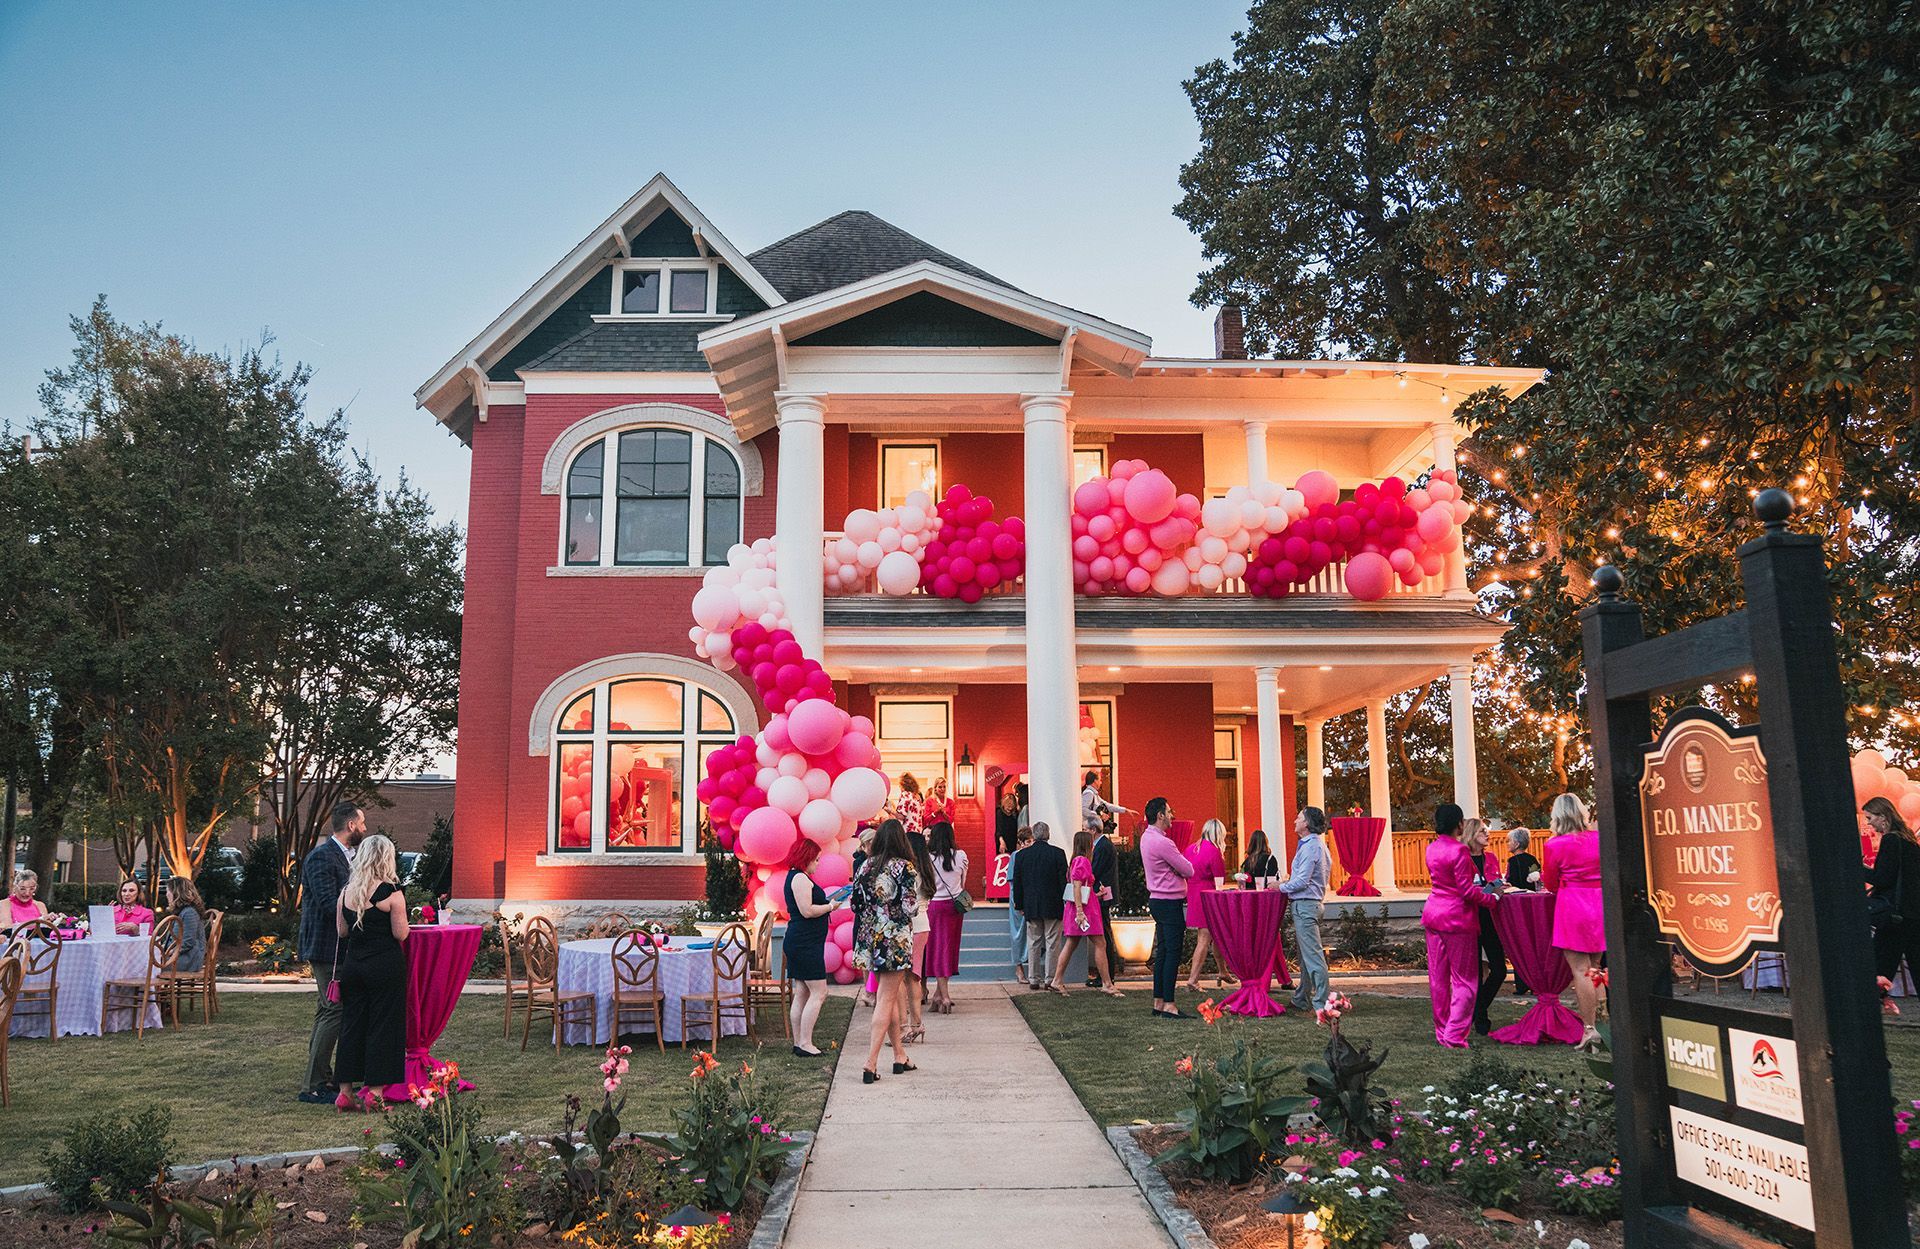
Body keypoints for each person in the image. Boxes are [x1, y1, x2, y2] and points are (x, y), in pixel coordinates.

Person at [333, 834, 409, 1105]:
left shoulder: (346, 892)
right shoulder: (391, 892)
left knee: (351, 1024)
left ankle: (344, 1091)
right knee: (383, 1025)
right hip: (384, 965)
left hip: (354, 966)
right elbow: (400, 934)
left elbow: (342, 931)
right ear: (386, 858)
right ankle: (375, 1093)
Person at [300, 801, 365, 1105]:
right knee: (333, 1010)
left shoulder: (344, 856)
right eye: (362, 823)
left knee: (327, 1010)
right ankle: (313, 1086)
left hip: (338, 945)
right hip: (328, 946)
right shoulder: (322, 858)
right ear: (351, 825)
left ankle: (322, 1077)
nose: (365, 829)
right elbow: (329, 903)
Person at [1422, 803, 1498, 1048]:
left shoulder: (1431, 849)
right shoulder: (1460, 851)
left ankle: (1442, 1029)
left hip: (1434, 914)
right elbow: (1466, 891)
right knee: (1465, 979)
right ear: (1460, 824)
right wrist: (1491, 898)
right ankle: (1454, 1034)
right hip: (1457, 919)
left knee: (1438, 977)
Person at [849, 819, 919, 1083]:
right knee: (886, 999)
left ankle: (899, 1055)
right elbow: (910, 907)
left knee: (886, 996)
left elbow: (855, 903)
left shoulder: (865, 865)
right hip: (894, 938)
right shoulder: (905, 868)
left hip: (869, 936)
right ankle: (871, 1062)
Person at [1540, 793, 1605, 1051]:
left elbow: (1550, 883)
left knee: (1580, 971)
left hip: (1573, 906)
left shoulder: (1555, 845)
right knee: (1596, 967)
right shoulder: (1600, 839)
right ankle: (1604, 1024)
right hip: (1599, 904)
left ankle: (1589, 1028)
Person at [781, 838, 844, 1057]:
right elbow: (807, 910)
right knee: (819, 992)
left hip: (805, 942)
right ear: (805, 858)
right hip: (804, 943)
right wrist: (830, 906)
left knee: (803, 992)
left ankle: (800, 1042)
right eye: (816, 860)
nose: (817, 864)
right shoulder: (799, 878)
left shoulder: (800, 877)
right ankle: (805, 1042)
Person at [1055, 828, 1125, 997]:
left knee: (1071, 944)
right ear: (1086, 845)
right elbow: (1078, 886)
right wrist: (1080, 911)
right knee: (1101, 943)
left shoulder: (1075, 861)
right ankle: (1107, 984)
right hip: (1085, 911)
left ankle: (1057, 980)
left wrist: (1096, 894)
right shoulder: (1083, 861)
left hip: (1080, 908)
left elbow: (1080, 886)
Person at [1141, 797, 1194, 1019]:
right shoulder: (1164, 842)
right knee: (1172, 953)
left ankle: (1159, 1001)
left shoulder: (1146, 838)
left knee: (1162, 952)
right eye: (1169, 812)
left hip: (1157, 900)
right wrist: (1177, 870)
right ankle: (1170, 1004)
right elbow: (1188, 869)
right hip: (1169, 901)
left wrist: (1175, 870)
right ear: (1160, 815)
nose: (1172, 816)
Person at [1278, 806, 1333, 1014]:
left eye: (1299, 817)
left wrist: (1281, 887)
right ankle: (1302, 997)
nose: (1294, 820)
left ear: (1307, 823)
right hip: (1309, 904)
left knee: (1313, 957)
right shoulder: (1316, 846)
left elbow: (1302, 881)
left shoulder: (1311, 847)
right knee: (1305, 957)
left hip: (1306, 905)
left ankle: (1322, 1003)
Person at [1864, 796, 1919, 1001]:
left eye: (1870, 817)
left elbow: (1883, 878)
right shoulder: (1909, 840)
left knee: (1880, 967)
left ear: (1883, 816)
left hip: (1895, 915)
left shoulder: (1890, 840)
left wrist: (1858, 869)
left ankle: (1870, 1009)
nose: (1869, 823)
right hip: (1913, 914)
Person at [1463, 818, 1509, 1036]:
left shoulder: (1490, 858)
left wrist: (1499, 887)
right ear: (1472, 834)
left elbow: (1495, 881)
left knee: (1499, 970)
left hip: (1490, 917)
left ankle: (1478, 1008)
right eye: (1483, 831)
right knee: (1475, 973)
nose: (1488, 834)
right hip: (1470, 917)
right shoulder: (1462, 858)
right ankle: (1481, 1019)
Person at [1012, 821, 1067, 989]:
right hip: (1053, 904)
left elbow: (1018, 884)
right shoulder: (1058, 854)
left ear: (1034, 836)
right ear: (1048, 835)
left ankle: (1034, 978)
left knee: (1033, 942)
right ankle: (1050, 979)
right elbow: (1062, 882)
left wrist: (1019, 905)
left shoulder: (1022, 856)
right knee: (1052, 943)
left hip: (1031, 905)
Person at [925, 821, 968, 1013]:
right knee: (949, 948)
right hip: (955, 906)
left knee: (937, 948)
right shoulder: (961, 855)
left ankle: (944, 996)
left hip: (934, 905)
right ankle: (938, 994)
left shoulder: (928, 858)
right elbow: (963, 882)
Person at [1183, 819, 1231, 991]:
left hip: (1193, 894)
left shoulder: (1190, 848)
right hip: (1208, 897)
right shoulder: (1214, 851)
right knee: (1204, 938)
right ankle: (1193, 979)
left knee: (1214, 935)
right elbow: (1220, 879)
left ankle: (1222, 970)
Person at [902, 828, 936, 1039]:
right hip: (923, 924)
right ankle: (917, 1023)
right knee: (913, 977)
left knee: (902, 978)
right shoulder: (926, 869)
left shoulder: (909, 872)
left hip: (909, 925)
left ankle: (908, 1025)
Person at [1085, 813, 1122, 987]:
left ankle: (1107, 975)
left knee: (1104, 935)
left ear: (1093, 830)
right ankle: (1105, 975)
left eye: (1085, 829)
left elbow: (1095, 870)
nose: (1084, 832)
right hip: (1102, 894)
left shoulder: (1103, 847)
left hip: (1103, 895)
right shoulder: (1100, 845)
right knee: (1103, 934)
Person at [163, 876, 209, 974]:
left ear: (177, 893)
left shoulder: (189, 912)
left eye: (168, 891)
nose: (166, 895)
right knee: (144, 961)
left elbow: (188, 942)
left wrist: (168, 953)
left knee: (146, 965)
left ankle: (144, 989)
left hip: (188, 960)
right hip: (178, 957)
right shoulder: (181, 912)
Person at [1006, 826, 1034, 977]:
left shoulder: (1033, 855)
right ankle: (1019, 968)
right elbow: (1012, 881)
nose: (1030, 844)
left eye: (1032, 841)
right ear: (1021, 842)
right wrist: (1018, 901)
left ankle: (1031, 967)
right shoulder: (1015, 856)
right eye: (1028, 841)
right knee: (1018, 932)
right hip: (1018, 897)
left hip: (1031, 897)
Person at [994, 792, 1022, 856]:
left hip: (1013, 841)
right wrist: (1001, 841)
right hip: (1003, 841)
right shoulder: (999, 813)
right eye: (1008, 806)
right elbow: (999, 829)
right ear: (1004, 804)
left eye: (1012, 807)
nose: (1010, 809)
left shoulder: (1015, 813)